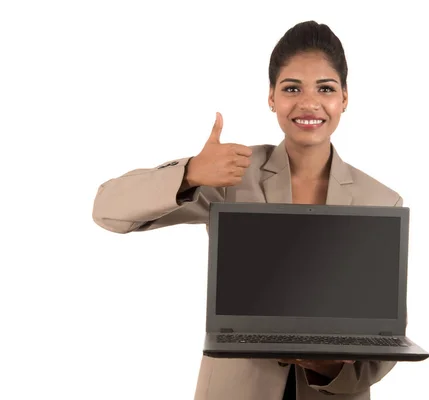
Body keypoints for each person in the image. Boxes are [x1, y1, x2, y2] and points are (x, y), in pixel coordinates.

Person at [93, 20, 403, 400]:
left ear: (345, 98)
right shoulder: (232, 174)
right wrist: (191, 172)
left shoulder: (381, 200)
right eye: (292, 88)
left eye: (325, 88)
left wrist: (332, 369)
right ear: (271, 97)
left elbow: (383, 339)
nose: (309, 103)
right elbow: (107, 210)